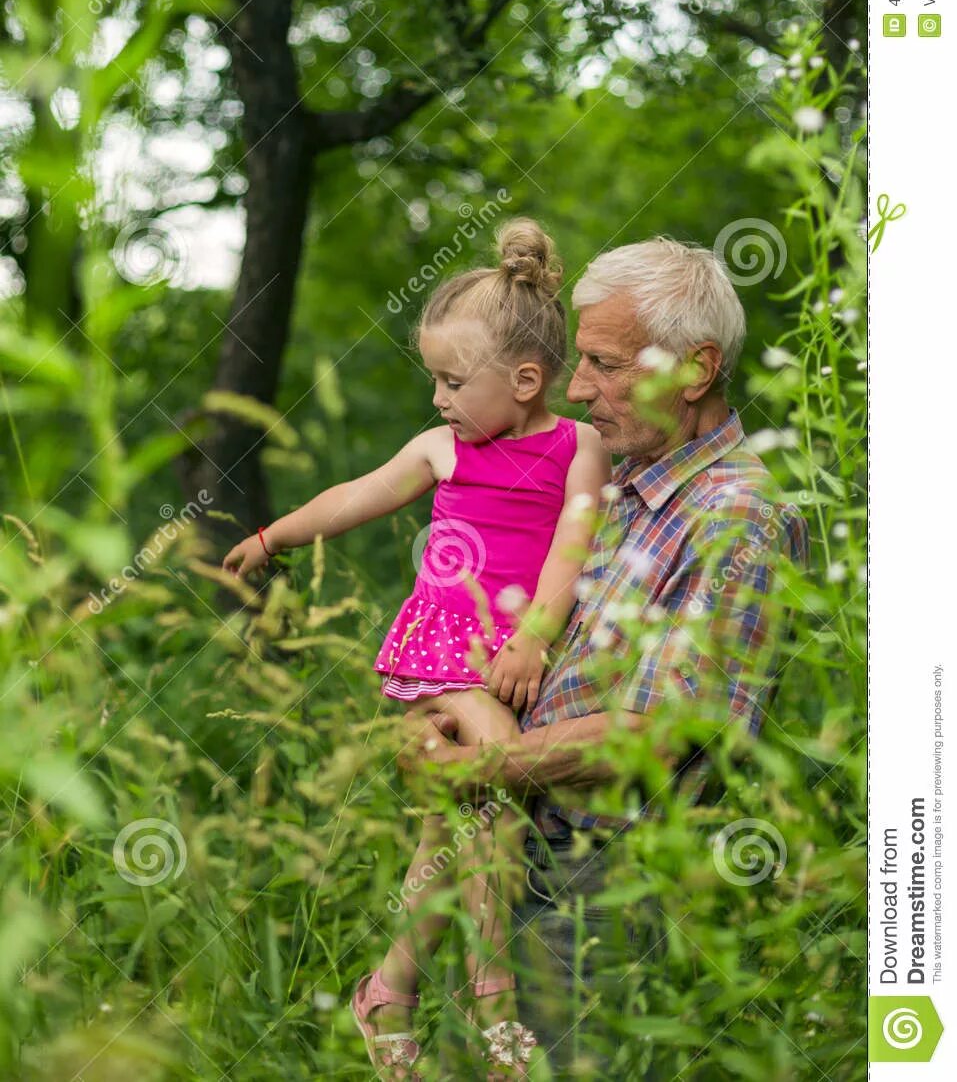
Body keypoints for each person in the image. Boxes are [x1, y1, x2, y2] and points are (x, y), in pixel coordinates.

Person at [402, 236, 810, 1077]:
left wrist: (477, 769)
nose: (577, 387)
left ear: (694, 370)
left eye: (603, 363)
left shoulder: (734, 519)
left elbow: (655, 736)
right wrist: (441, 709)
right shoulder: (619, 487)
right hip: (508, 858)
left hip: (600, 893)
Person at [222, 219, 610, 1079]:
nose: (436, 398)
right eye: (431, 378)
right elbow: (356, 495)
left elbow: (570, 549)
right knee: (499, 788)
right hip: (444, 656)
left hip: (515, 658)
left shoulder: (576, 445)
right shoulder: (442, 447)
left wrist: (535, 641)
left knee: (454, 834)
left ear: (524, 379)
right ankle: (494, 1003)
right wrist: (274, 535)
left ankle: (388, 994)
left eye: (450, 380)